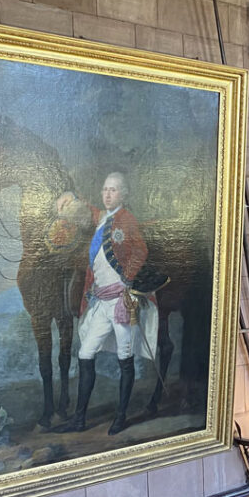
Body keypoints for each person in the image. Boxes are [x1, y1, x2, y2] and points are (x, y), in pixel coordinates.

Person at [54, 172, 160, 435]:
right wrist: (71, 198)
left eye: (113, 190)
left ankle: (120, 417)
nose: (108, 194)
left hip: (122, 301)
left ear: (122, 194)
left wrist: (128, 277)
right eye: (105, 190)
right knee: (85, 353)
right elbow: (86, 210)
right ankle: (79, 419)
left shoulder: (127, 219)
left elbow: (141, 250)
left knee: (125, 358)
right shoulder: (103, 218)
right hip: (101, 301)